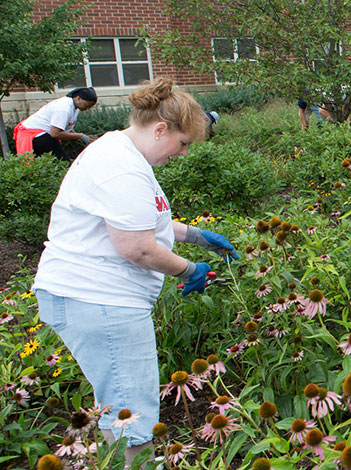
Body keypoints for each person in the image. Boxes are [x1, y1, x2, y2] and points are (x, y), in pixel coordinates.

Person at [32, 78, 238, 466]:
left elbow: (144, 222)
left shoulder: (120, 152)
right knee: (133, 414)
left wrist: (196, 236)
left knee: (118, 401)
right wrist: (189, 269)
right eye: (183, 143)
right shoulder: (121, 167)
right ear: (160, 129)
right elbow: (137, 246)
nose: (183, 153)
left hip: (91, 298)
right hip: (99, 300)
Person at [13, 87, 98, 160]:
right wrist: (80, 136)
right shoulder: (64, 107)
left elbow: (68, 130)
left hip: (45, 134)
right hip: (35, 134)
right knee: (61, 163)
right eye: (87, 105)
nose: (88, 108)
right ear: (78, 98)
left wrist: (86, 139)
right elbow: (55, 133)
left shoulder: (75, 108)